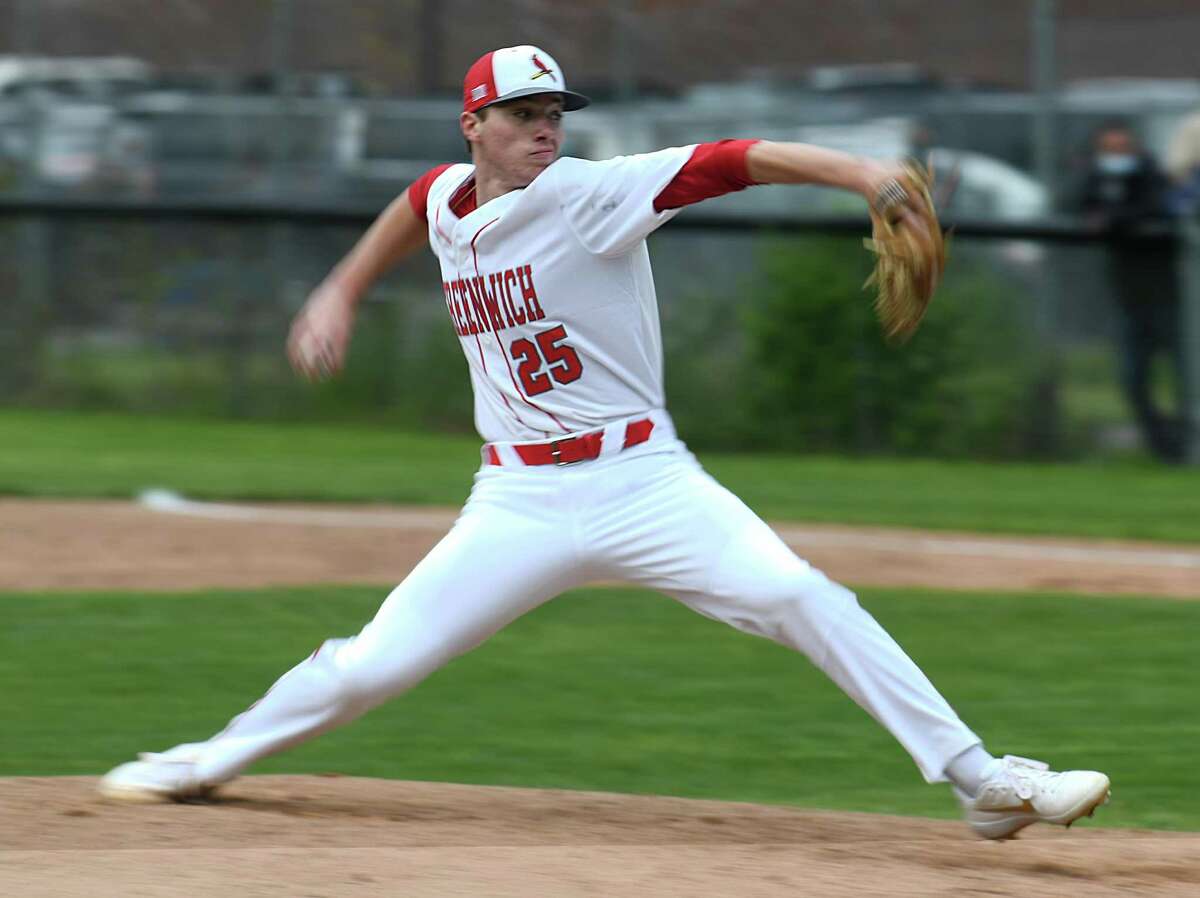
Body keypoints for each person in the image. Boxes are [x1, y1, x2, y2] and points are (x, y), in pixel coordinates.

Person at [100, 45, 1110, 840]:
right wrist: (341, 289)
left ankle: (983, 780)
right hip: (515, 503)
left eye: (554, 114)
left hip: (643, 480)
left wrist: (863, 174)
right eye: (524, 115)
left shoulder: (591, 193)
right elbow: (416, 206)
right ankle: (201, 761)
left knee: (802, 596)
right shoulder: (453, 199)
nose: (545, 129)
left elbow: (732, 163)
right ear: (475, 128)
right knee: (372, 667)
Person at [1074, 120, 1185, 463]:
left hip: (1171, 300)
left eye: (1123, 149)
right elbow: (1075, 202)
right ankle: (1165, 447)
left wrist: (1115, 219)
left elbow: (1154, 207)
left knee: (1188, 379)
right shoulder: (1098, 179)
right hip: (1129, 299)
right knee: (1132, 380)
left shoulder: (1152, 177)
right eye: (1109, 150)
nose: (1116, 156)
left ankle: (1187, 442)